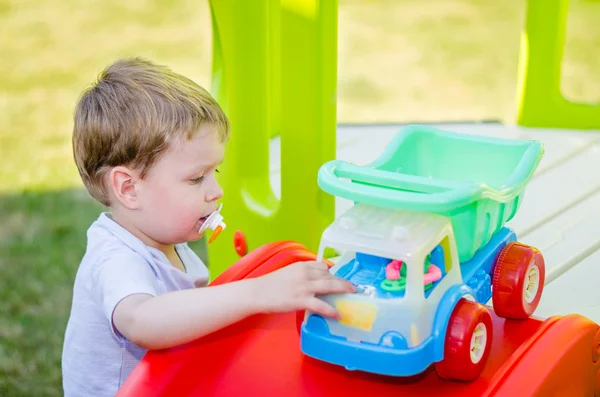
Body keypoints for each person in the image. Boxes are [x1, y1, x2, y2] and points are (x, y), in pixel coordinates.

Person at [61, 57, 354, 396]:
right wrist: (260, 292)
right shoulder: (115, 258)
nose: (216, 191)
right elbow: (141, 320)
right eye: (196, 178)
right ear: (129, 188)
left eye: (213, 173)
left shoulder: (166, 240)